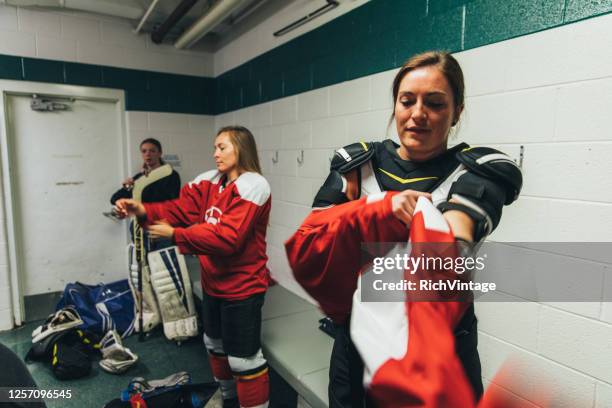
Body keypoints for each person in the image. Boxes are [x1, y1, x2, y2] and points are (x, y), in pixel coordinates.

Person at [285, 51, 522, 407]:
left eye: (436, 103)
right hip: (357, 342)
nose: (417, 115)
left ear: (457, 111)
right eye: (406, 101)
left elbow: (448, 249)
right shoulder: (357, 166)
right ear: (394, 105)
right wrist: (375, 212)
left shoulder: (476, 171)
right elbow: (310, 244)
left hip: (438, 347)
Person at [115, 126, 271, 408]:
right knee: (215, 347)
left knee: (244, 361)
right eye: (215, 147)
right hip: (213, 285)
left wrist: (177, 235)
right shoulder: (209, 181)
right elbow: (180, 210)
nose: (215, 154)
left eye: (222, 147)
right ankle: (228, 399)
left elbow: (229, 238)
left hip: (242, 288)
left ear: (241, 148)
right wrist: (143, 210)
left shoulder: (254, 185)